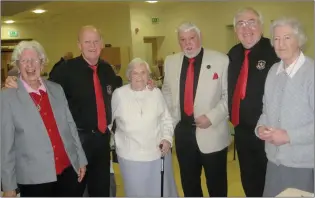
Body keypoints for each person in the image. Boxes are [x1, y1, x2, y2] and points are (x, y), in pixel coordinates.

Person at [4, 25, 117, 197]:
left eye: (96, 41)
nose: (92, 46)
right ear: (79, 45)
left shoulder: (107, 71)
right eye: (87, 42)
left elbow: (121, 93)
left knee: (101, 190)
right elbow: (5, 147)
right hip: (73, 145)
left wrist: (146, 83)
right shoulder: (65, 71)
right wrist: (13, 81)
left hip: (97, 144)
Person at [1, 40, 87, 197]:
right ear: (17, 65)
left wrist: (80, 159)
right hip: (33, 179)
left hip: (67, 170)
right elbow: (5, 146)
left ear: (42, 63)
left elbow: (70, 126)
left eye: (35, 59)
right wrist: (8, 185)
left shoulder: (56, 89)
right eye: (24, 60)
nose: (30, 65)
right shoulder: (7, 97)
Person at [162, 22, 230, 197]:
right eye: (182, 40)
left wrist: (212, 117)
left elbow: (228, 96)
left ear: (200, 38)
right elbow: (167, 91)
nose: (188, 43)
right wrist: (172, 118)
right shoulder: (170, 62)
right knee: (189, 184)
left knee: (217, 185)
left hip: (212, 131)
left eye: (192, 38)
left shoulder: (221, 60)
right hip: (183, 133)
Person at [256, 17, 314, 197]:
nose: (280, 44)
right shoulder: (273, 71)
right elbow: (266, 109)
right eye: (276, 39)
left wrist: (289, 136)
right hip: (274, 160)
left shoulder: (311, 74)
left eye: (287, 38)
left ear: (299, 40)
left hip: (302, 163)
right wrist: (260, 127)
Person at [227, 7, 280, 197]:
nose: (246, 28)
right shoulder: (233, 54)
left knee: (271, 184)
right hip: (241, 131)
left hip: (268, 132)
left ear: (261, 26)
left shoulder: (275, 50)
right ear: (235, 30)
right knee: (249, 182)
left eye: (251, 22)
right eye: (241, 24)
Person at [111, 58, 178, 197]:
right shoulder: (119, 94)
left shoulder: (155, 93)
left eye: (143, 73)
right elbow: (108, 123)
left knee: (160, 192)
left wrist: (167, 139)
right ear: (129, 75)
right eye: (135, 73)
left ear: (148, 76)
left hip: (157, 154)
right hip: (130, 157)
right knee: (137, 193)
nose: (139, 77)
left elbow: (166, 119)